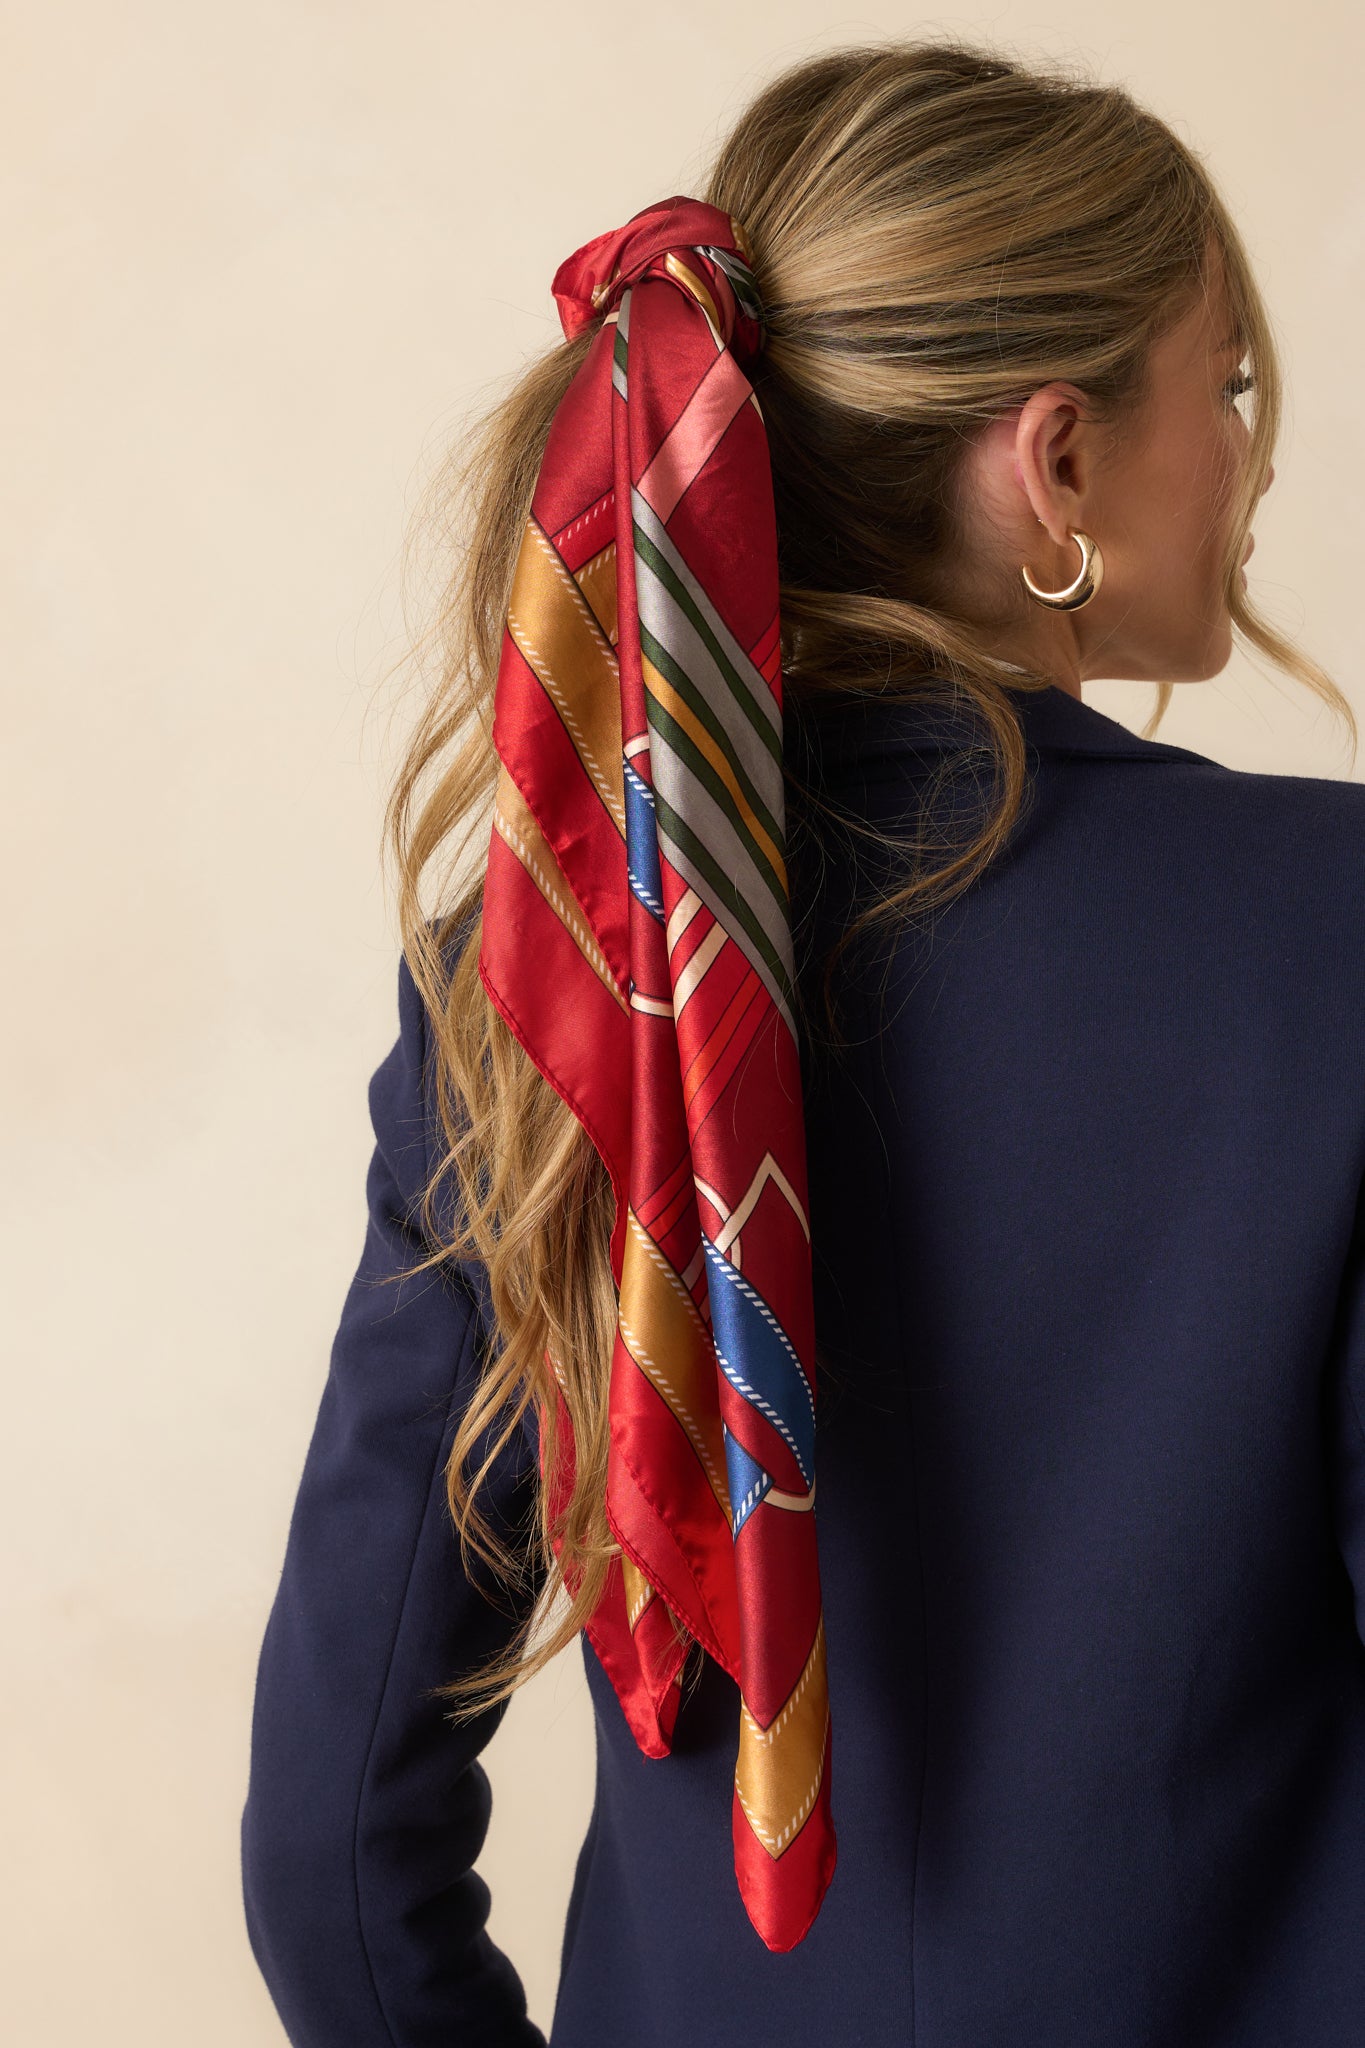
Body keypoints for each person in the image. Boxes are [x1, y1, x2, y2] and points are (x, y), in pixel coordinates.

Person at [240, 35, 1365, 2047]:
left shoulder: (536, 979)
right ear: (1057, 461)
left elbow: (331, 1836)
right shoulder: (1332, 943)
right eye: (1226, 383)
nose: (1257, 452)